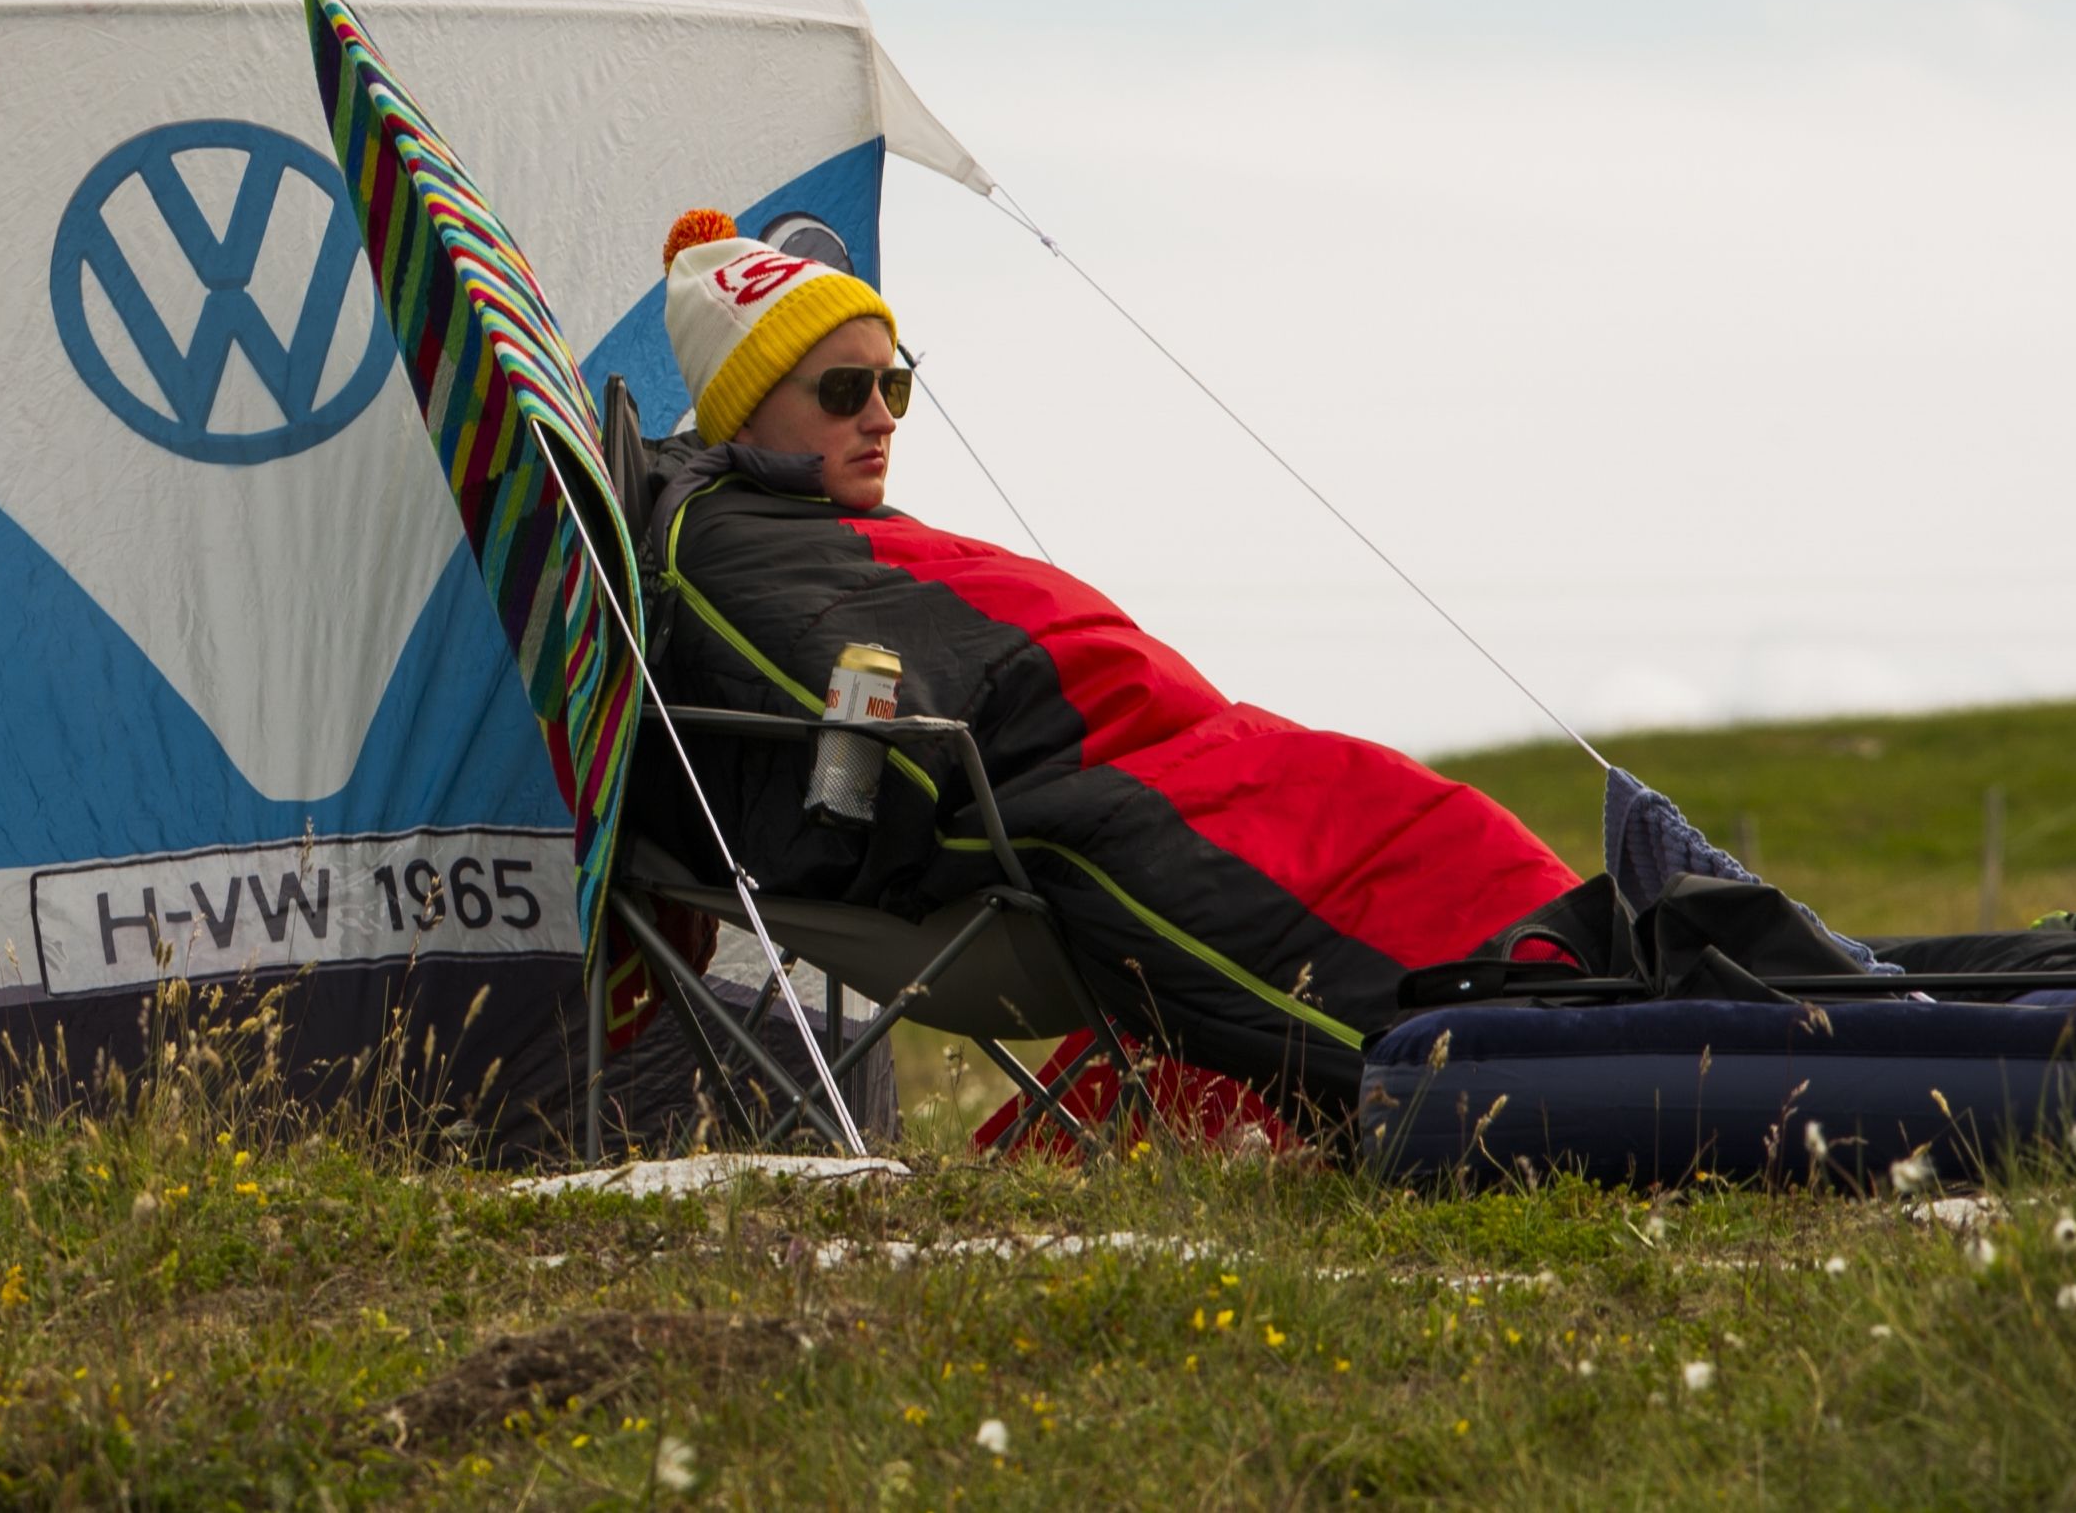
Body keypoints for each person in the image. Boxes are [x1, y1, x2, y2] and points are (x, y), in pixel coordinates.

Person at [621, 208, 1587, 1123]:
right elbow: (860, 780)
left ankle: (1604, 973)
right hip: (1063, 803)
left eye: (895, 384)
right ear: (748, 412)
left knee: (1386, 801)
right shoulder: (728, 544)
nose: (883, 417)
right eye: (844, 391)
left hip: (1165, 740)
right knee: (1328, 863)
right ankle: (1545, 1061)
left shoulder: (826, 524)